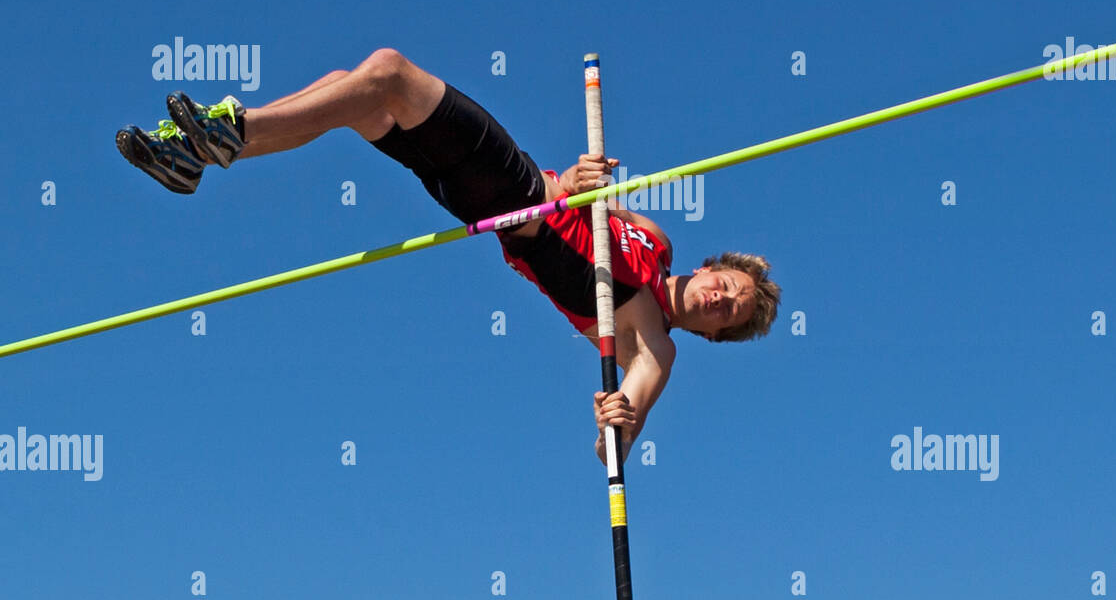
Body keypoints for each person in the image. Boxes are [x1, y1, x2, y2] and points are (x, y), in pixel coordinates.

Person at [117, 49, 780, 462]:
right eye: (731, 285)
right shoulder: (655, 237)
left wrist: (618, 423)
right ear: (714, 265)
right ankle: (193, 157)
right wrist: (580, 179)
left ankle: (222, 133)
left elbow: (623, 425)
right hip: (512, 188)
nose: (723, 298)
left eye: (729, 314)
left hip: (513, 202)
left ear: (712, 333)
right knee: (354, 91)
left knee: (389, 74)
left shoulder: (654, 345)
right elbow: (579, 190)